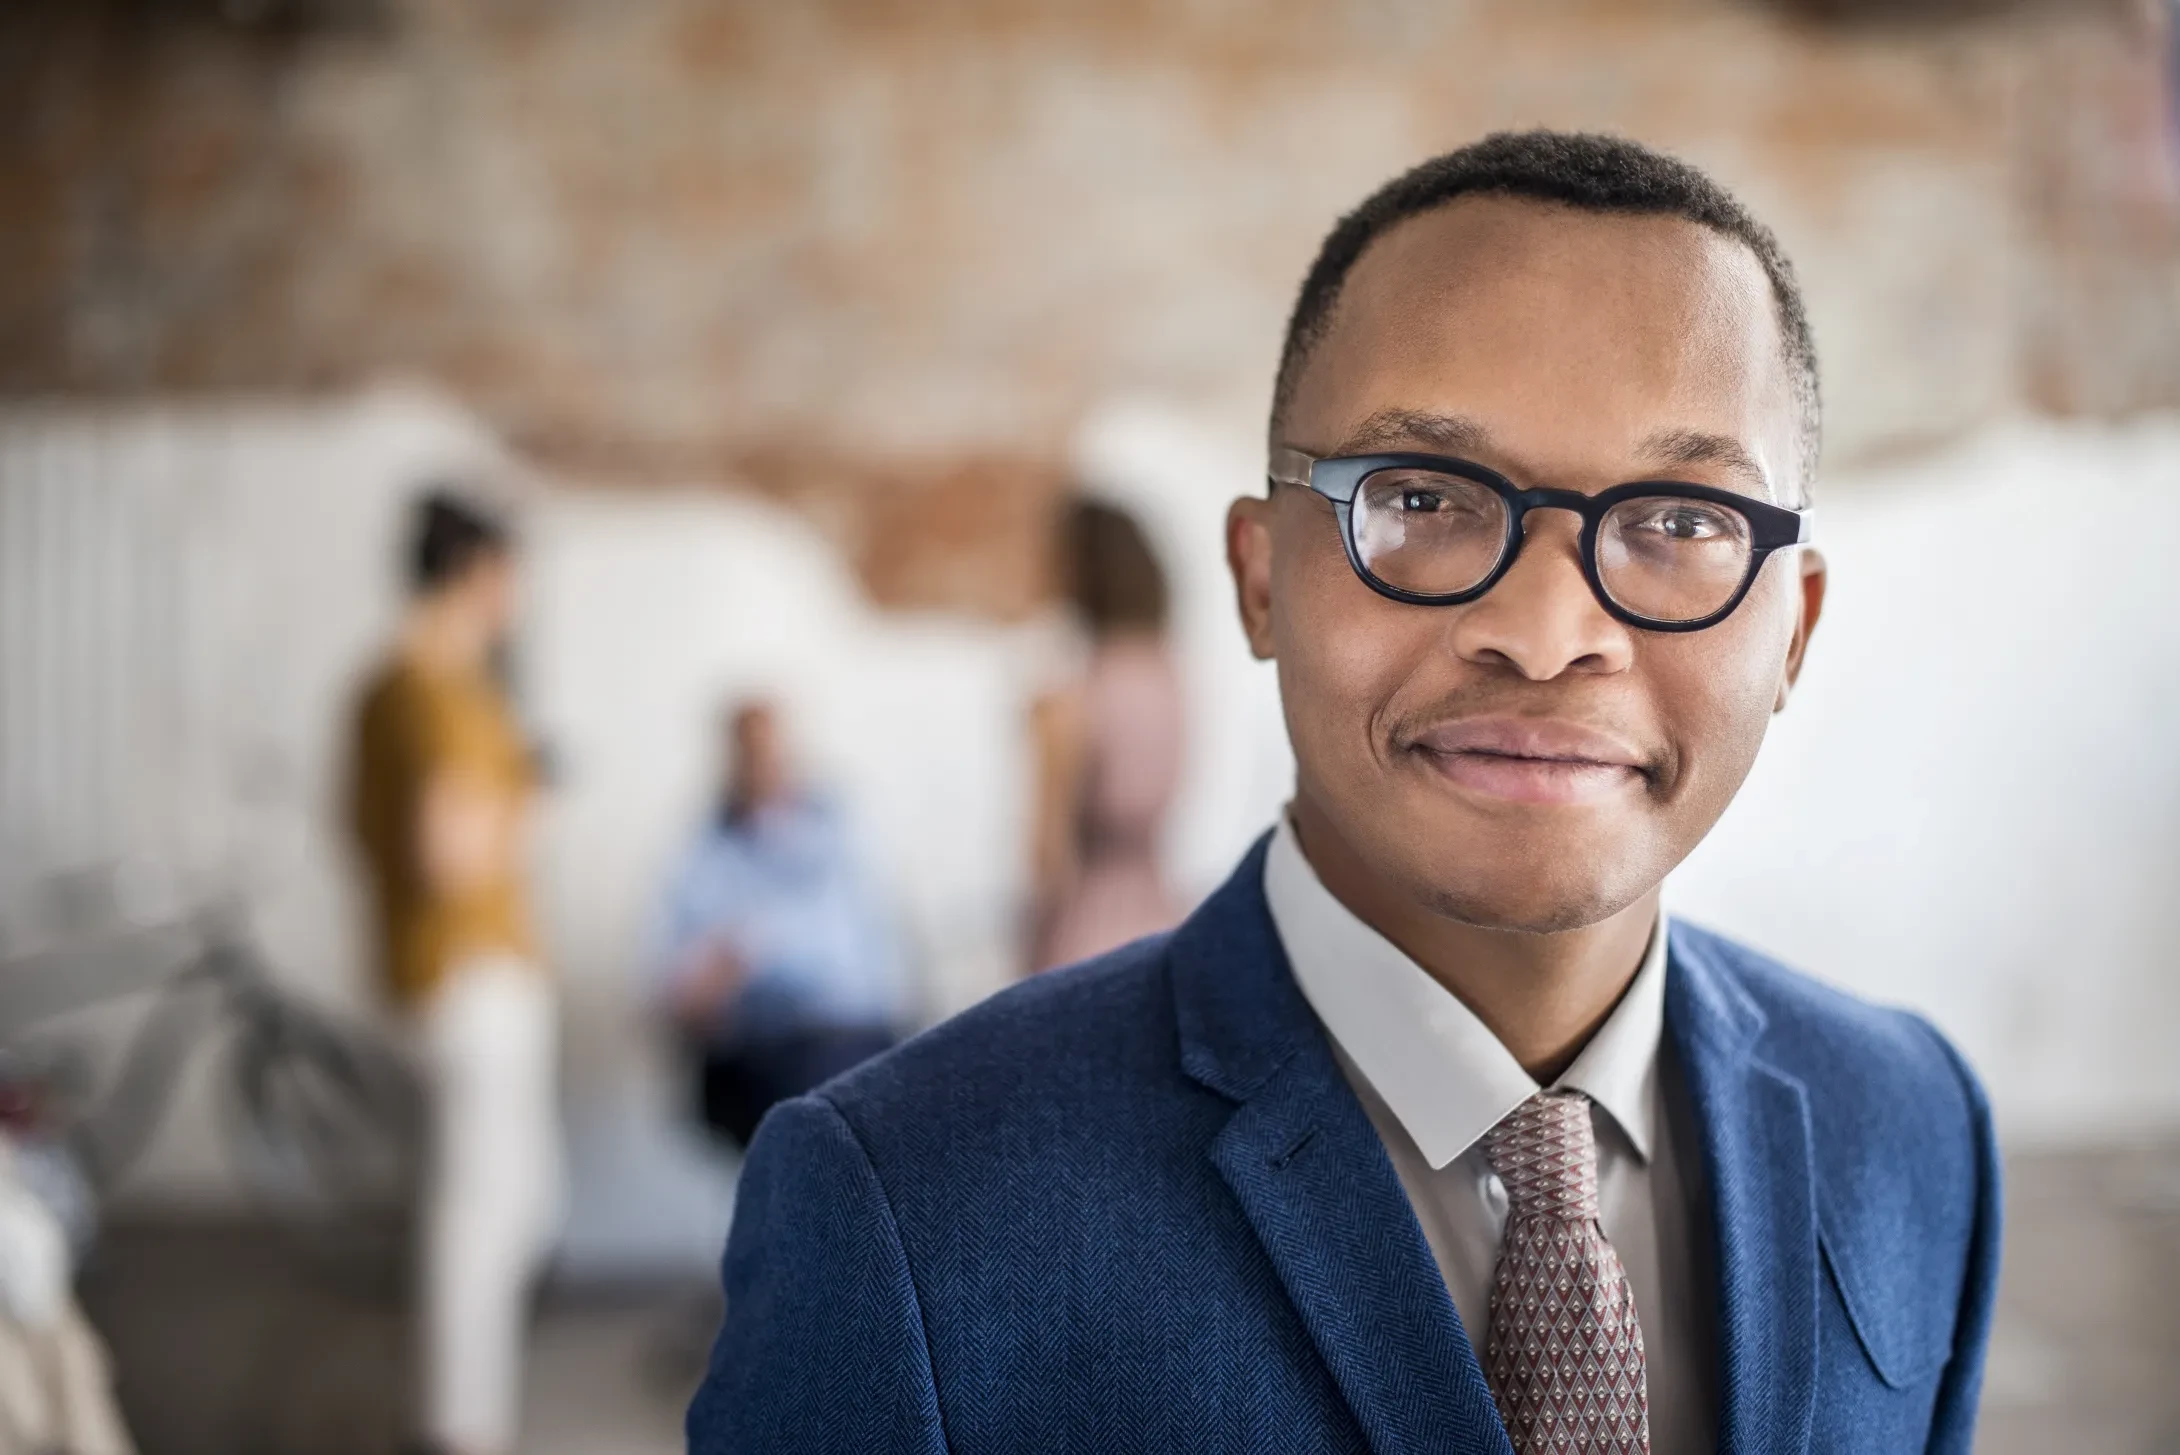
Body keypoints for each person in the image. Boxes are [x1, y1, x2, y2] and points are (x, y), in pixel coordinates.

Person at [688, 132, 2000, 1454]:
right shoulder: (913, 1209)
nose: (1547, 633)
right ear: (1260, 579)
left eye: (1678, 520)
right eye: (1421, 494)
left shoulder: (1910, 1127)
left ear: (1796, 631)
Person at [347, 491, 560, 1455]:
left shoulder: (380, 688)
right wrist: (527, 796)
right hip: (472, 978)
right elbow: (450, 853)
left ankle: (459, 1416)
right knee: (480, 1219)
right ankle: (460, 1428)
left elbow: (359, 831)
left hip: (426, 973)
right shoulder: (443, 693)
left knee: (502, 1205)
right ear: (476, 571)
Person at [652, 700, 906, 1150]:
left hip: (853, 1037)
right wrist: (709, 981)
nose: (765, 766)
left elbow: (867, 967)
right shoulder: (701, 858)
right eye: (750, 753)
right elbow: (667, 992)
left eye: (773, 751)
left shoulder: (843, 833)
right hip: (759, 1052)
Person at [1026, 497, 1186, 972]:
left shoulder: (1070, 698)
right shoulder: (1170, 681)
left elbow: (1047, 858)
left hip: (1084, 935)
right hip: (1161, 922)